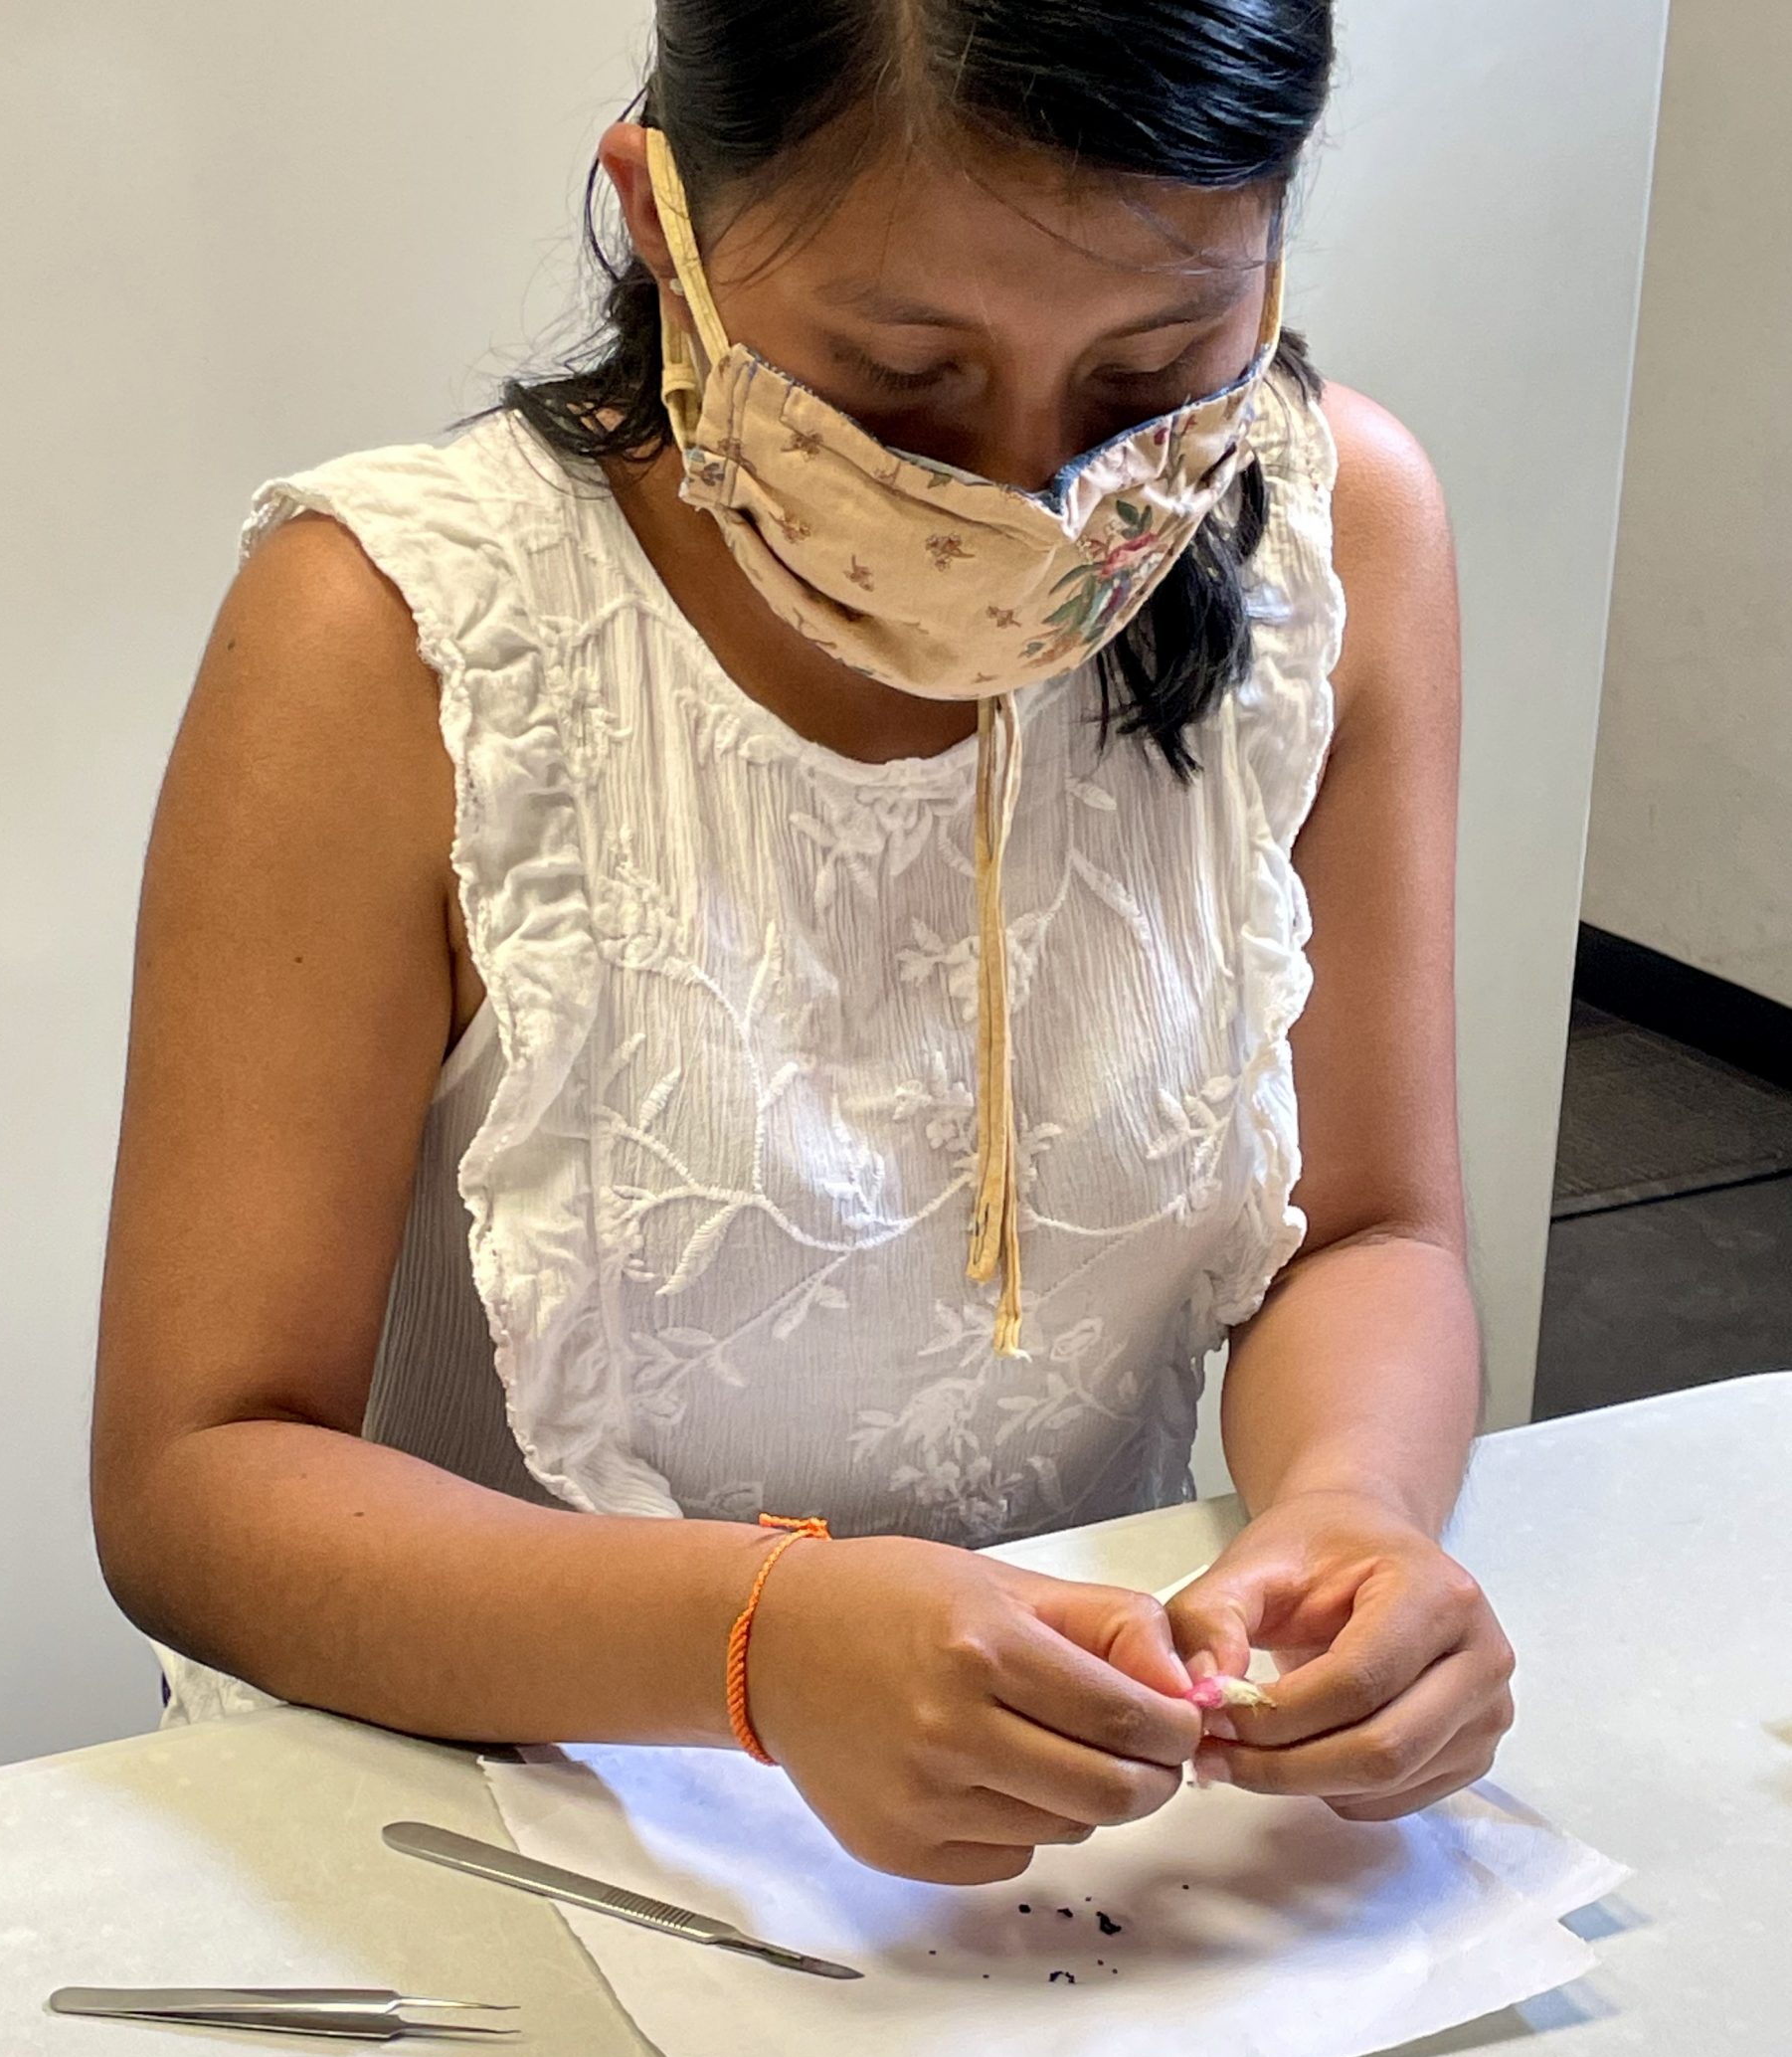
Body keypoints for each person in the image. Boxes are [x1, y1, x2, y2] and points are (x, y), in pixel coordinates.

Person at [92, 0, 1516, 1886]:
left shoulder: (1328, 536)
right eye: (900, 384)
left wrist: (1349, 1510)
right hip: (479, 1814)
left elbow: (1366, 1233)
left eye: (1148, 372)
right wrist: (756, 1645)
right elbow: (196, 1481)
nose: (1029, 500)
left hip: (1067, 1836)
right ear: (661, 219)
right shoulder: (392, 634)